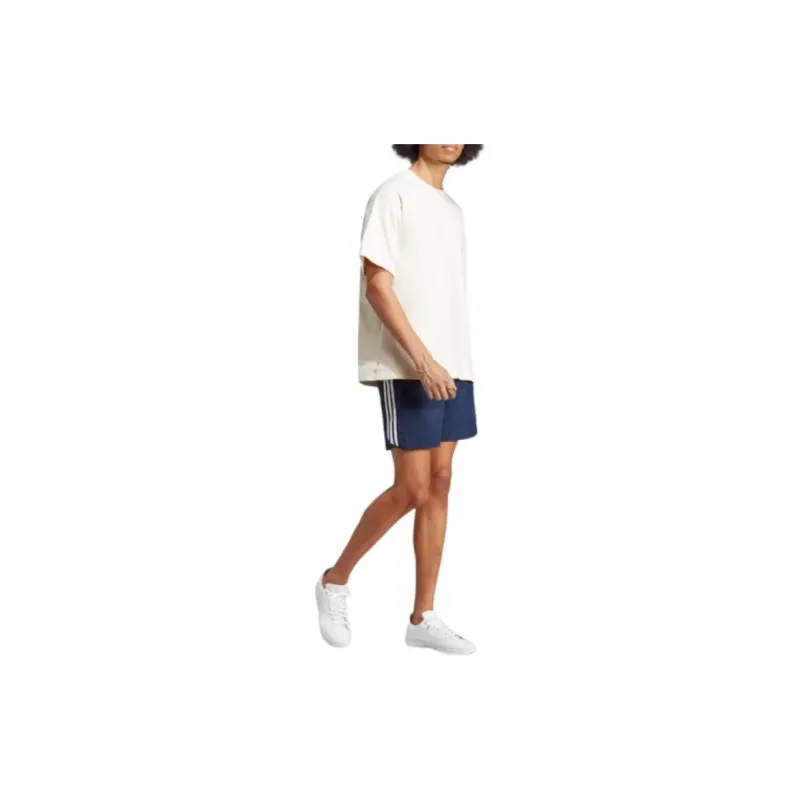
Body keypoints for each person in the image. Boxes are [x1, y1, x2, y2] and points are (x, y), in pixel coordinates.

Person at [316, 144, 483, 655]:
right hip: (409, 365)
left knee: (441, 482)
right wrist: (423, 361)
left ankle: (422, 617)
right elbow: (378, 286)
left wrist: (449, 361)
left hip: (454, 363)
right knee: (412, 487)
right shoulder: (393, 195)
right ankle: (333, 581)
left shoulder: (452, 210)